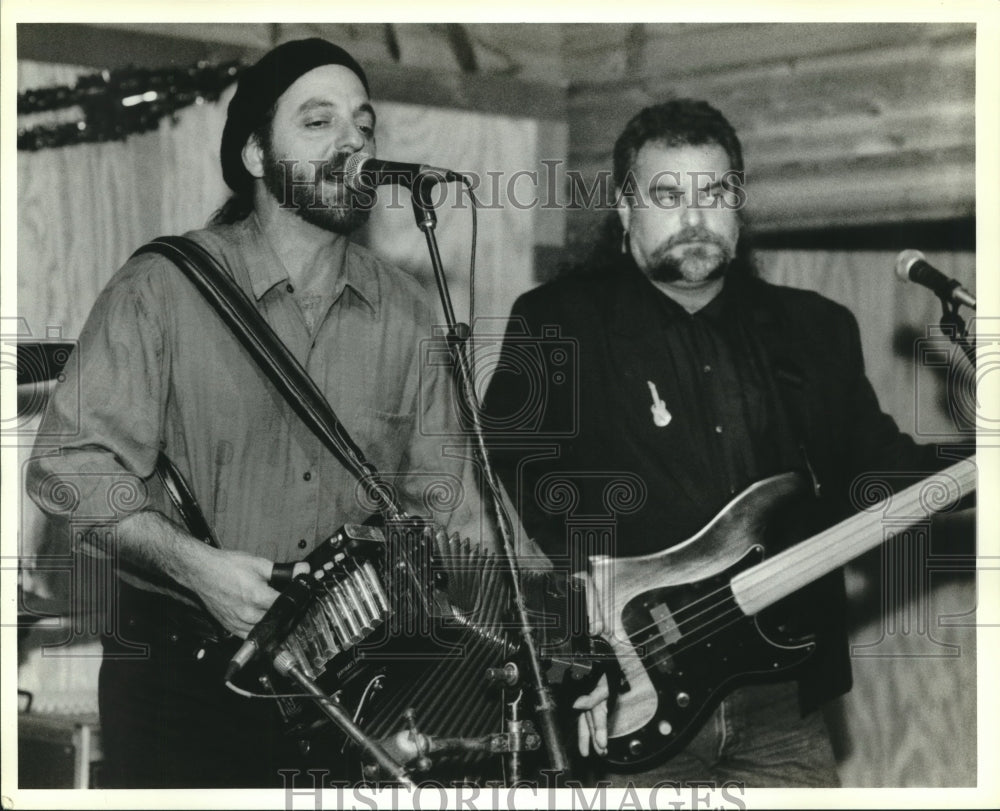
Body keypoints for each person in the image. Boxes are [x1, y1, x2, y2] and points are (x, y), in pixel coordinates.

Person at [26, 38, 495, 788]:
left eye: (363, 124)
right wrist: (193, 565)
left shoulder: (405, 313)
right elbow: (66, 466)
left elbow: (457, 513)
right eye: (318, 122)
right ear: (254, 154)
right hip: (178, 684)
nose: (352, 141)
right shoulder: (163, 288)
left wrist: (548, 632)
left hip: (347, 688)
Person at [482, 99, 972, 787]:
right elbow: (507, 510)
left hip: (784, 708)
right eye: (667, 194)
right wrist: (573, 657)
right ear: (625, 210)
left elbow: (878, 471)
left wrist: (978, 466)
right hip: (631, 705)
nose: (694, 215)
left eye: (714, 193)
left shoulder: (815, 328)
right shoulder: (557, 324)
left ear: (738, 209)